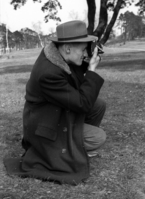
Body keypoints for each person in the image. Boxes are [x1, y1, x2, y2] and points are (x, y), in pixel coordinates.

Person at [4, 20, 106, 185]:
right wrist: (92, 70)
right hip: (44, 124)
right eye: (83, 49)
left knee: (99, 105)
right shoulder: (48, 73)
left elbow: (77, 83)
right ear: (67, 48)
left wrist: (86, 61)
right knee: (98, 137)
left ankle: (77, 140)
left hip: (55, 110)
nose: (85, 54)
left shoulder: (59, 56)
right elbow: (82, 103)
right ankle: (76, 146)